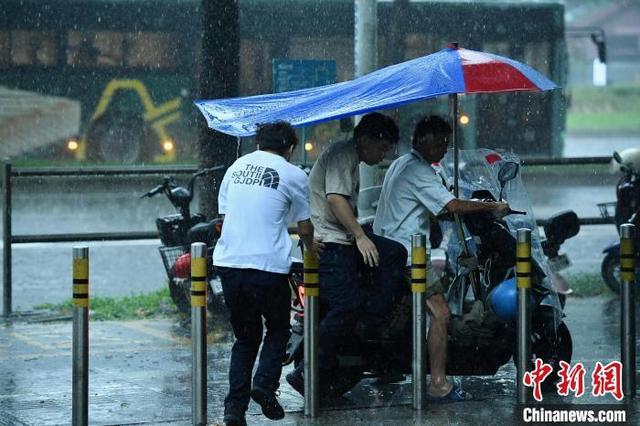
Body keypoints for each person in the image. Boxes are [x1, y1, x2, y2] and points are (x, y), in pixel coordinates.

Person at [373, 115, 510, 402]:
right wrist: (491, 205)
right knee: (441, 314)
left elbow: (437, 206)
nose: (444, 150)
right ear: (421, 141)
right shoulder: (419, 171)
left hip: (390, 249)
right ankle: (438, 383)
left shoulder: (404, 164)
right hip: (411, 256)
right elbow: (450, 204)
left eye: (447, 144)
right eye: (439, 143)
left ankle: (391, 366)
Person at [286, 112, 408, 395]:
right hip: (331, 243)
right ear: (367, 140)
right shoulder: (343, 153)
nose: (382, 155)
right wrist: (360, 235)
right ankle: (310, 367)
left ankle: (372, 320)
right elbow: (335, 198)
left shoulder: (349, 156)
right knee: (347, 306)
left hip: (338, 236)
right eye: (382, 148)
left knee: (393, 253)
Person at [214, 121, 320, 425]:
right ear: (289, 148)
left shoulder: (235, 168)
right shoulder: (294, 174)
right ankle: (264, 385)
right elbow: (305, 227)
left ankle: (234, 409)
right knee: (278, 329)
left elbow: (225, 217)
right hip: (267, 267)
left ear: (258, 143)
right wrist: (313, 249)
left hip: (230, 264)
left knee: (245, 338)